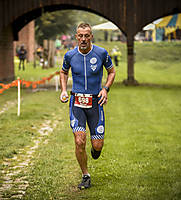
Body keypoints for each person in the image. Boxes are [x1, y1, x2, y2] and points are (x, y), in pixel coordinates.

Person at [60, 23, 116, 189]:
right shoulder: (69, 55)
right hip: (77, 102)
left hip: (95, 103)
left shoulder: (101, 53)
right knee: (79, 140)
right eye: (80, 36)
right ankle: (85, 175)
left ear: (91, 36)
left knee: (97, 146)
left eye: (86, 35)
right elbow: (63, 72)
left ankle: (95, 149)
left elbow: (111, 71)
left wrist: (105, 89)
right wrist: (64, 90)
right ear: (76, 36)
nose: (83, 39)